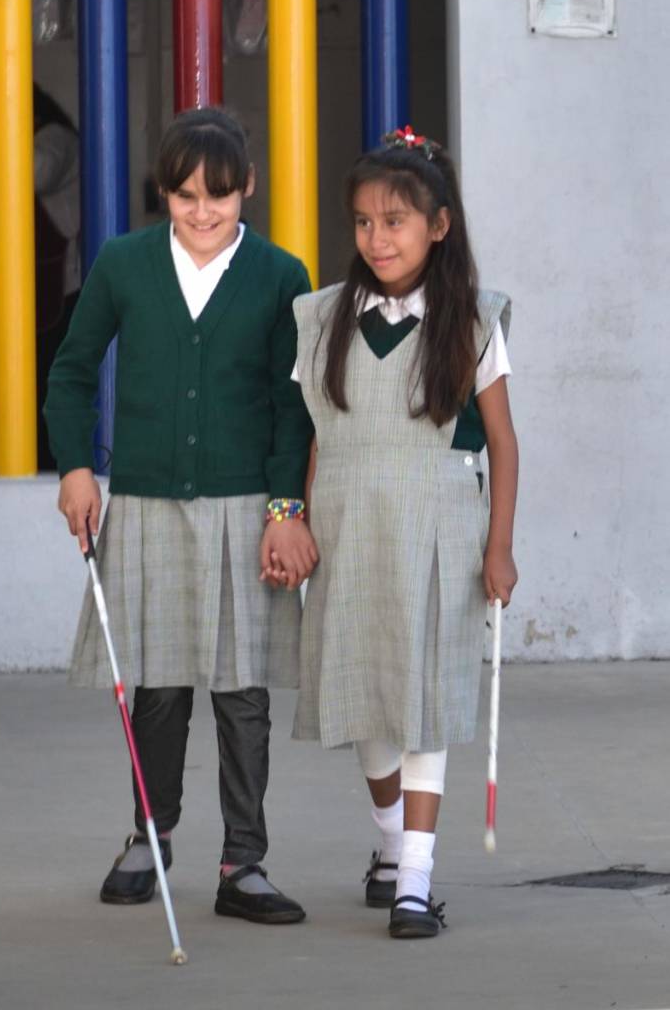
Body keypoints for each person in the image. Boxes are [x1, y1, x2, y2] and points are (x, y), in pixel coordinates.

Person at [44, 107, 318, 923]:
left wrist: (284, 510)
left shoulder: (279, 274)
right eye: (187, 195)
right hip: (147, 503)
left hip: (247, 506)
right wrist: (76, 470)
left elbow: (291, 405)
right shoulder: (124, 263)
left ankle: (245, 863)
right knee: (158, 688)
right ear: (164, 191)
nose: (203, 213)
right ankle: (149, 835)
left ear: (249, 191)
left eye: (221, 198)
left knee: (242, 692)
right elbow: (71, 371)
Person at [287, 127, 518, 939]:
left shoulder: (473, 320)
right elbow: (313, 433)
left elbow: (502, 440)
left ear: (439, 226)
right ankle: (391, 840)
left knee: (425, 700)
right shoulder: (323, 318)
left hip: (443, 533)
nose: (377, 239)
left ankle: (414, 878)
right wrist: (297, 520)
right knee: (366, 702)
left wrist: (499, 545)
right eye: (362, 222)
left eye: (396, 221)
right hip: (350, 528)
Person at [0, 73, 81, 470]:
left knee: (48, 408)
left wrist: (1, 135)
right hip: (22, 304)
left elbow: (33, 173)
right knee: (19, 408)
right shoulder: (4, 157)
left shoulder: (55, 140)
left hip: (60, 301)